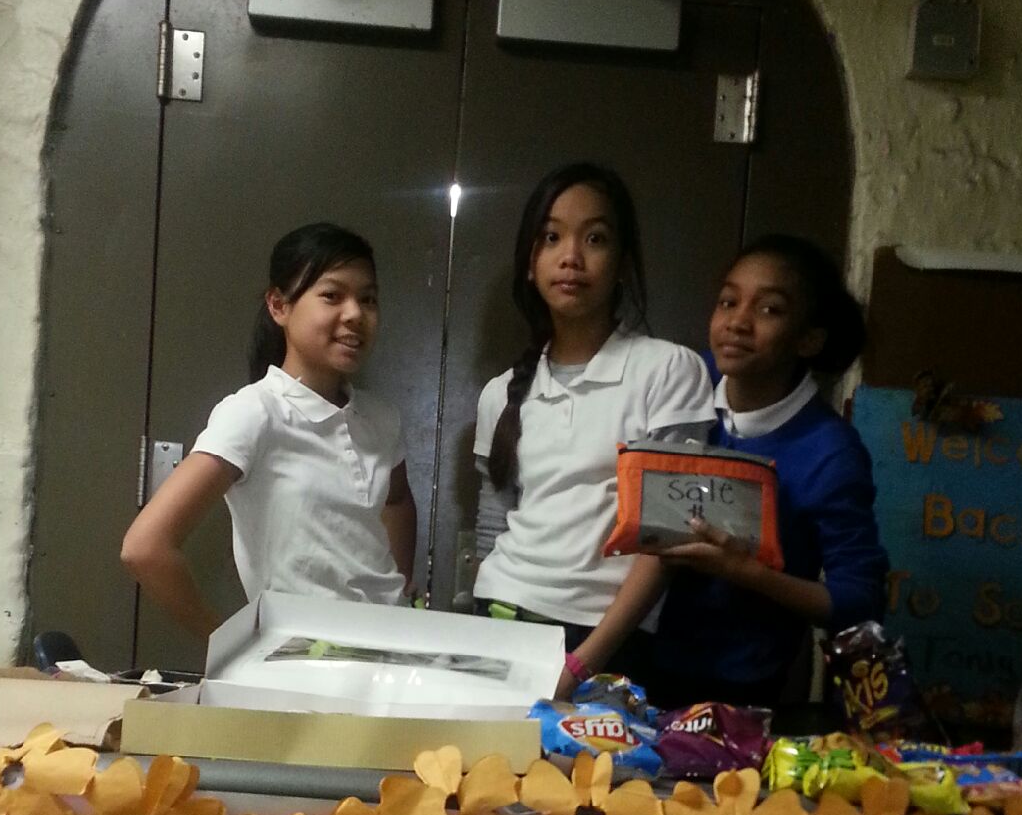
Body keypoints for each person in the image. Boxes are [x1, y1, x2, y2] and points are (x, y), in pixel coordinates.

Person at [472, 161, 713, 697]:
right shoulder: (501, 392)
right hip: (501, 616)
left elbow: (667, 541)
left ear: (623, 263)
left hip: (604, 642)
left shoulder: (668, 370)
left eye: (595, 238)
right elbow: (491, 528)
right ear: (530, 263)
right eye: (551, 237)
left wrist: (580, 665)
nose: (571, 257)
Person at [121, 223, 416, 640]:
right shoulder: (255, 413)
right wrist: (230, 644)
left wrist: (398, 593)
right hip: (304, 659)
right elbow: (144, 547)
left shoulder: (381, 418)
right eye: (332, 295)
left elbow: (398, 499)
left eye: (368, 299)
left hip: (390, 647)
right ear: (279, 306)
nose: (355, 314)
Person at [645, 233, 889, 708]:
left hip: (741, 687)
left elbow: (860, 599)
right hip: (632, 651)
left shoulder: (829, 451)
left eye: (769, 309)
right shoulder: (684, 385)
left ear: (809, 338)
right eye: (728, 301)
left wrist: (748, 573)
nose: (737, 322)